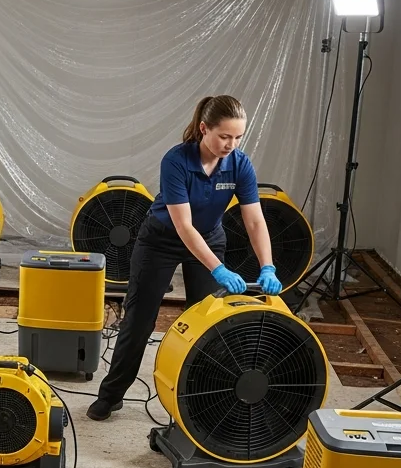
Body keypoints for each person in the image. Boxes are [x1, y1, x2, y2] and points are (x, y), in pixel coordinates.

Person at [87, 95, 282, 421]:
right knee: (138, 322)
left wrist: (268, 265)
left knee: (206, 322)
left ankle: (201, 400)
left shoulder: (240, 164)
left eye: (237, 137)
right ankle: (110, 395)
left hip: (208, 239)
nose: (230, 144)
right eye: (224, 136)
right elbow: (183, 226)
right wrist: (219, 269)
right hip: (161, 241)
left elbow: (254, 220)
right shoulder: (176, 161)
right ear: (204, 128)